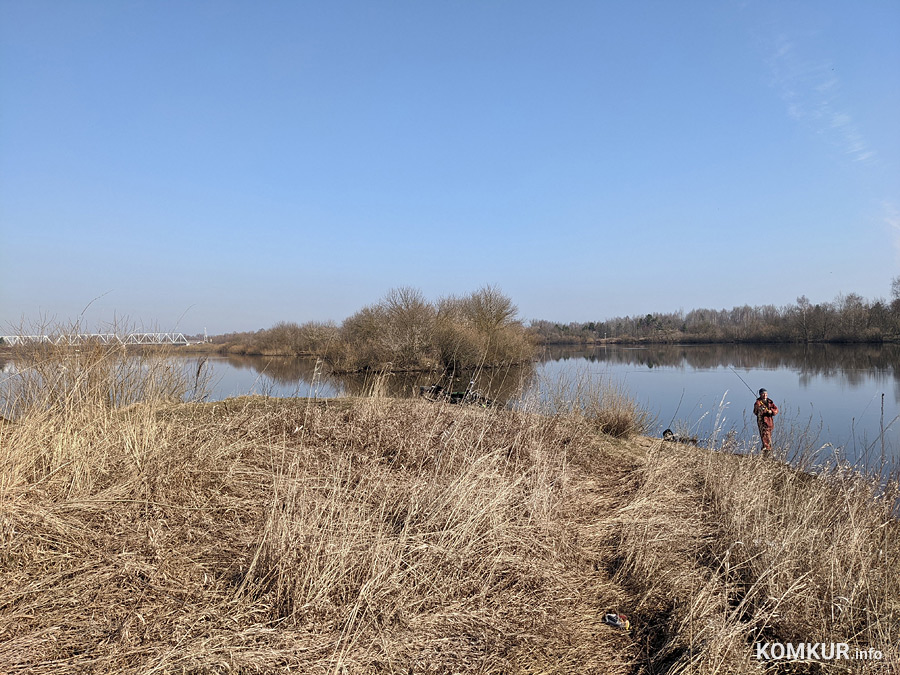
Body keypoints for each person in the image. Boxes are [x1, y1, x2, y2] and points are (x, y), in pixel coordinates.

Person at [753, 388, 779, 455]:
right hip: (763, 423)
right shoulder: (758, 403)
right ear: (760, 394)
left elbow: (776, 410)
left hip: (770, 423)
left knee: (769, 439)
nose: (765, 395)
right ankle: (767, 454)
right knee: (765, 439)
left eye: (766, 394)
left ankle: (766, 454)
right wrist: (762, 410)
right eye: (763, 394)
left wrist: (771, 411)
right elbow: (756, 412)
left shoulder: (770, 402)